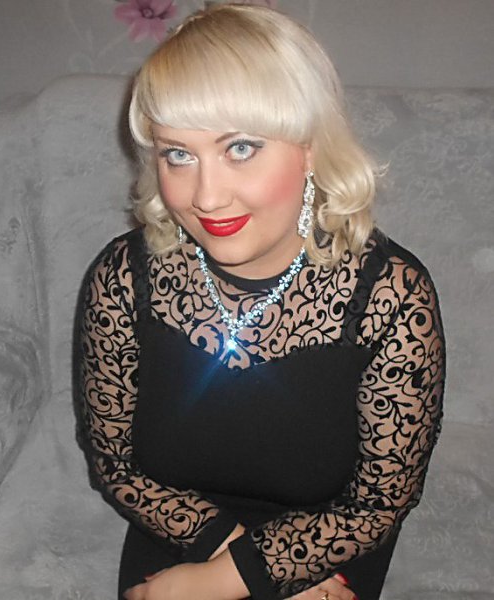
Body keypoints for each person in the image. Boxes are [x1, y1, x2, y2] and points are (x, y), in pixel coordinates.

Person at [78, 3, 445, 600]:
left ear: (310, 148)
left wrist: (227, 580)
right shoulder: (124, 277)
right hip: (178, 524)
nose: (206, 196)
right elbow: (115, 463)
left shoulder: (390, 296)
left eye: (241, 148)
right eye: (178, 154)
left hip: (333, 537)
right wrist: (239, 566)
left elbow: (380, 500)